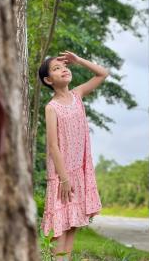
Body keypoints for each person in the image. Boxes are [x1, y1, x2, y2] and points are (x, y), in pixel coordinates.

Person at [38, 51, 109, 260]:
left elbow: (102, 74)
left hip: (80, 170)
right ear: (48, 80)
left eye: (64, 65)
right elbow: (53, 146)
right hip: (63, 176)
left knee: (73, 226)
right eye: (56, 68)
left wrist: (78, 60)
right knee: (60, 229)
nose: (63, 69)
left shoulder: (77, 95)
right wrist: (64, 179)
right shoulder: (51, 107)